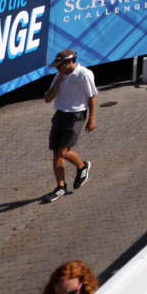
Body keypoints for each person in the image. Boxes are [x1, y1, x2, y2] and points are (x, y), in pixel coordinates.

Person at [41, 49, 96, 203]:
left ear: (69, 62)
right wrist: (58, 79)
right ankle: (60, 186)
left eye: (60, 66)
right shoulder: (58, 77)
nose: (57, 69)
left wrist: (92, 118)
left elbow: (92, 96)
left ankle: (82, 166)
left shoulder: (84, 74)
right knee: (56, 153)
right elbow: (48, 99)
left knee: (63, 151)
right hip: (60, 115)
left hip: (76, 116)